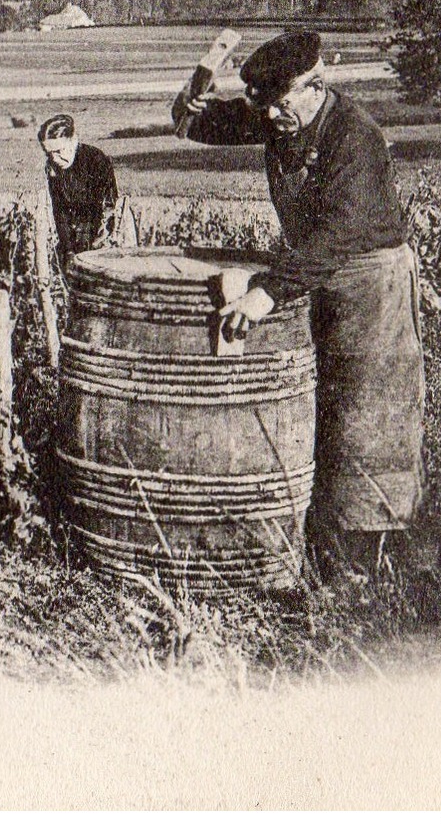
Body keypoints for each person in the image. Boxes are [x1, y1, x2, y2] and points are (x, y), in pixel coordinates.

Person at [173, 30, 427, 573]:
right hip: (317, 278)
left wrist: (268, 292)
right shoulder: (278, 115)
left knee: (369, 423)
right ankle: (326, 551)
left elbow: (340, 232)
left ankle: (373, 567)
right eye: (262, 105)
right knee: (323, 417)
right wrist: (188, 105)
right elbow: (198, 126)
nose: (269, 118)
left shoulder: (354, 137)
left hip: (371, 288)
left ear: (316, 85)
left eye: (280, 104)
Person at [37, 113, 118, 268]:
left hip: (101, 235)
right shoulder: (53, 167)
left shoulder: (95, 160)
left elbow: (107, 207)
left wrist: (90, 246)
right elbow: (59, 210)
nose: (54, 158)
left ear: (73, 140)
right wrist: (68, 250)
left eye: (59, 151)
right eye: (48, 153)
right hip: (72, 236)